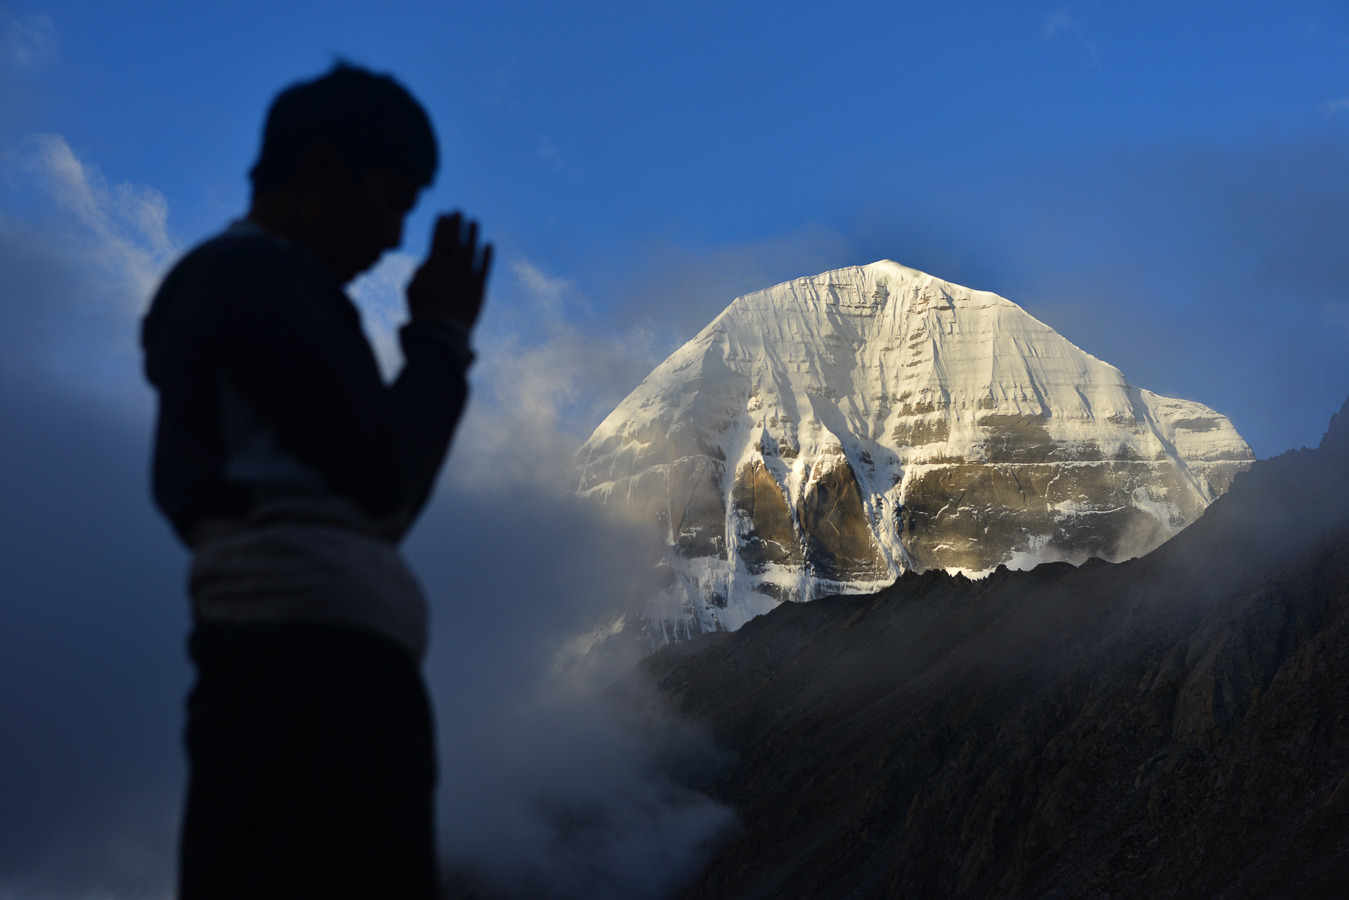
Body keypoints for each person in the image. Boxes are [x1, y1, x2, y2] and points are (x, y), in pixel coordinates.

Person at [141, 63, 491, 898]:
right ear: (319, 172)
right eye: (387, 199)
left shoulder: (274, 289)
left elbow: (372, 497)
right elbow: (382, 481)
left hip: (317, 663)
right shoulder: (249, 279)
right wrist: (440, 338)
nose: (393, 234)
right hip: (306, 674)